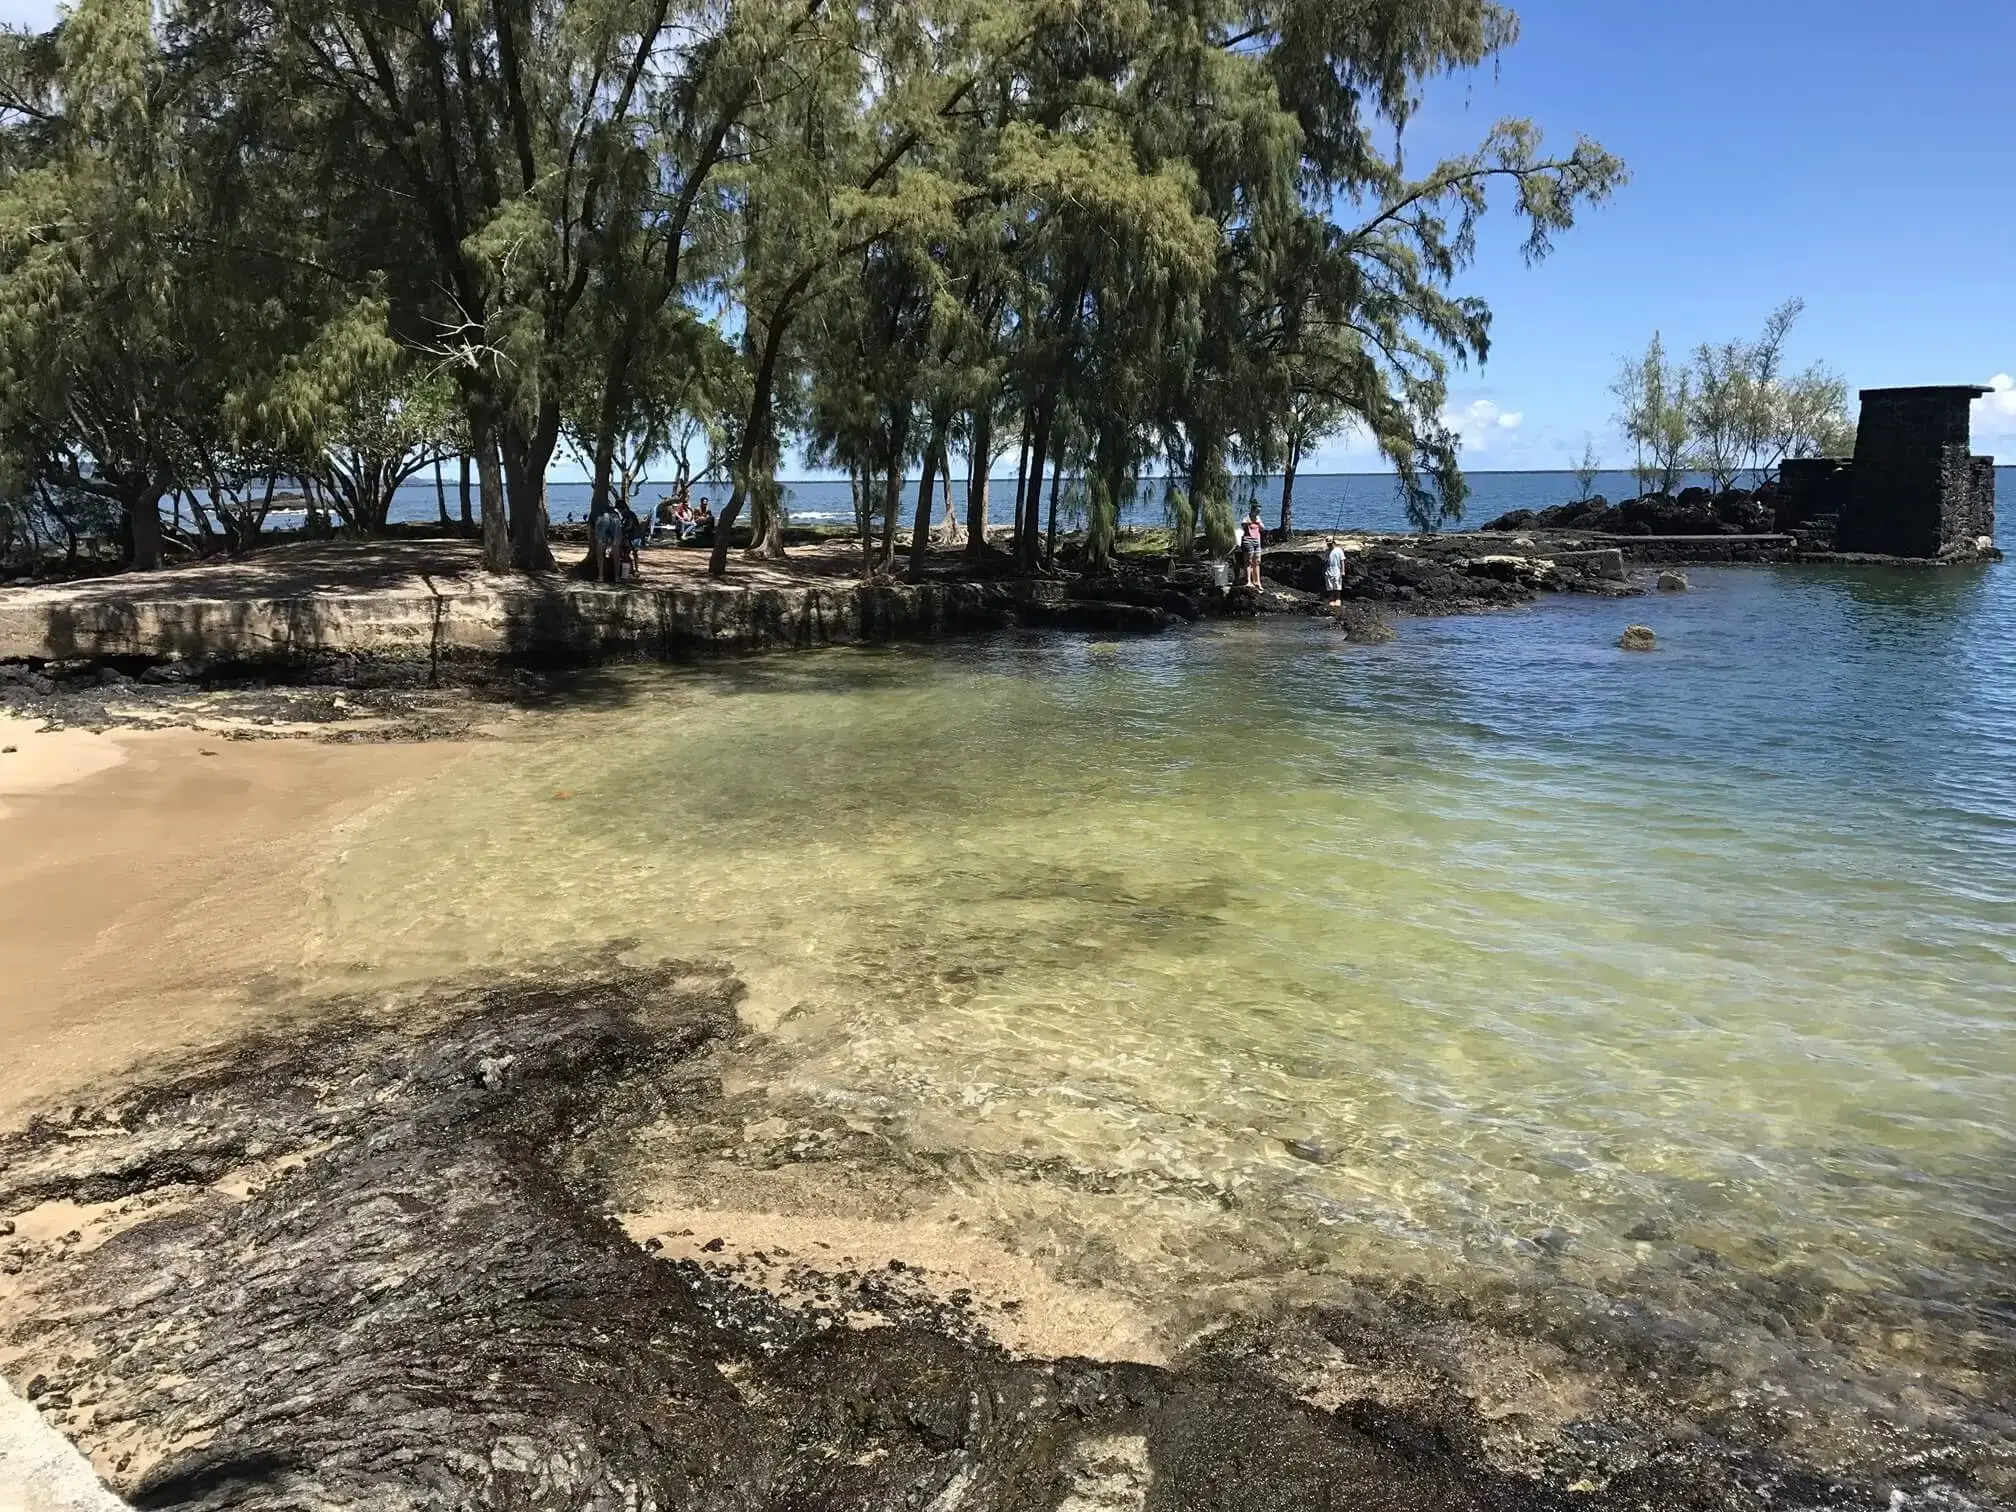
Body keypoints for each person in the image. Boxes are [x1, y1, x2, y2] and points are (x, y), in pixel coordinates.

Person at [591, 505, 622, 583]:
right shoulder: (616, 515)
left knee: (600, 553)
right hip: (615, 523)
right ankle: (617, 577)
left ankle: (601, 576)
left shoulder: (598, 515)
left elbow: (593, 530)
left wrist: (597, 540)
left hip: (601, 524)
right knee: (616, 554)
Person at [1239, 504, 1265, 587]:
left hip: (1257, 541)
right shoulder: (1247, 517)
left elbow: (1262, 528)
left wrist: (1259, 523)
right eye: (1256, 511)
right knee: (1248, 561)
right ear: (1252, 510)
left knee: (1257, 562)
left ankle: (1257, 581)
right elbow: (1243, 524)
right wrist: (1250, 522)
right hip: (1248, 541)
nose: (1258, 513)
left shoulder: (1258, 518)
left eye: (1259, 511)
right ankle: (1248, 581)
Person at [1323, 536, 1346, 605]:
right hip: (1329, 570)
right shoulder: (1327, 551)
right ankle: (1332, 599)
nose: (1329, 545)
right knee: (1330, 586)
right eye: (1328, 544)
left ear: (1333, 542)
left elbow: (1342, 561)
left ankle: (1338, 599)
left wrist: (1343, 571)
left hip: (1337, 570)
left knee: (1337, 585)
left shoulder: (1339, 550)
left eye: (1330, 543)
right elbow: (1325, 561)